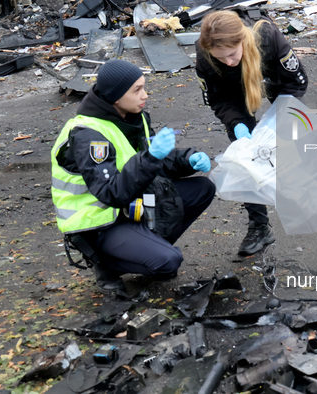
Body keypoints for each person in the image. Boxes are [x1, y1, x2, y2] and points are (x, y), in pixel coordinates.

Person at [195, 10, 317, 256]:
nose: (228, 62)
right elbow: (219, 98)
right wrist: (236, 123)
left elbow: (296, 82)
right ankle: (260, 227)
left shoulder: (268, 37)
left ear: (242, 40)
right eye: (221, 59)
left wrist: (280, 119)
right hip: (236, 95)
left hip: (278, 87)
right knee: (247, 161)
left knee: (306, 154)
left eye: (231, 54)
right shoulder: (206, 53)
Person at [51, 59, 216, 293]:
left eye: (144, 87)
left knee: (202, 189)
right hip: (100, 223)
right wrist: (150, 157)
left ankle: (148, 247)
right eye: (137, 90)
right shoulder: (89, 135)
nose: (145, 95)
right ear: (116, 97)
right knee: (168, 264)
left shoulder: (134, 118)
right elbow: (111, 192)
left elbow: (156, 162)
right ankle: (106, 265)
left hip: (130, 208)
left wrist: (187, 160)